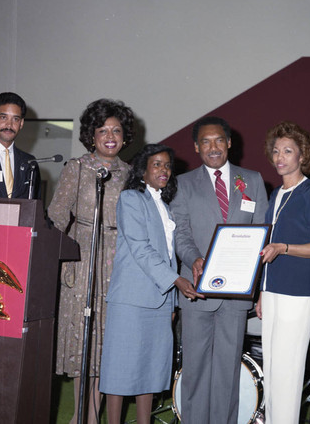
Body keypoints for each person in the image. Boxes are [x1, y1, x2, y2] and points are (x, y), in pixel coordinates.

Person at [170, 116, 267, 424]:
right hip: (197, 289)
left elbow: (263, 232)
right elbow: (180, 233)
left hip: (237, 294)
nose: (213, 147)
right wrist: (195, 258)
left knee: (228, 370)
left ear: (229, 143)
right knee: (195, 369)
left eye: (219, 141)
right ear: (197, 147)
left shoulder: (252, 180)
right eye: (206, 142)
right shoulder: (183, 183)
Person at [99, 144, 202, 424]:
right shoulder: (132, 198)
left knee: (151, 369)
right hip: (131, 298)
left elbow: (169, 255)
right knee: (120, 369)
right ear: (143, 170)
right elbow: (140, 248)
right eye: (156, 164)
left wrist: (171, 299)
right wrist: (177, 281)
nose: (163, 170)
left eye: (167, 165)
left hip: (160, 298)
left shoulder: (165, 206)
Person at [48, 98, 134, 424]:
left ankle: (94, 416)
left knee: (105, 341)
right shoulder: (77, 167)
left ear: (125, 137)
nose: (110, 136)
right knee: (84, 337)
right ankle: (79, 416)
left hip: (118, 261)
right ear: (91, 135)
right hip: (82, 257)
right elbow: (56, 217)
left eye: (116, 130)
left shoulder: (130, 173)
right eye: (103, 130)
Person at [255, 121, 310, 424]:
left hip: (299, 292)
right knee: (271, 369)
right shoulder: (276, 195)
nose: (280, 157)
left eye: (288, 151)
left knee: (288, 371)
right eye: (276, 151)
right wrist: (261, 293)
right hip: (272, 291)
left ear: (302, 156)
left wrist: (284, 247)